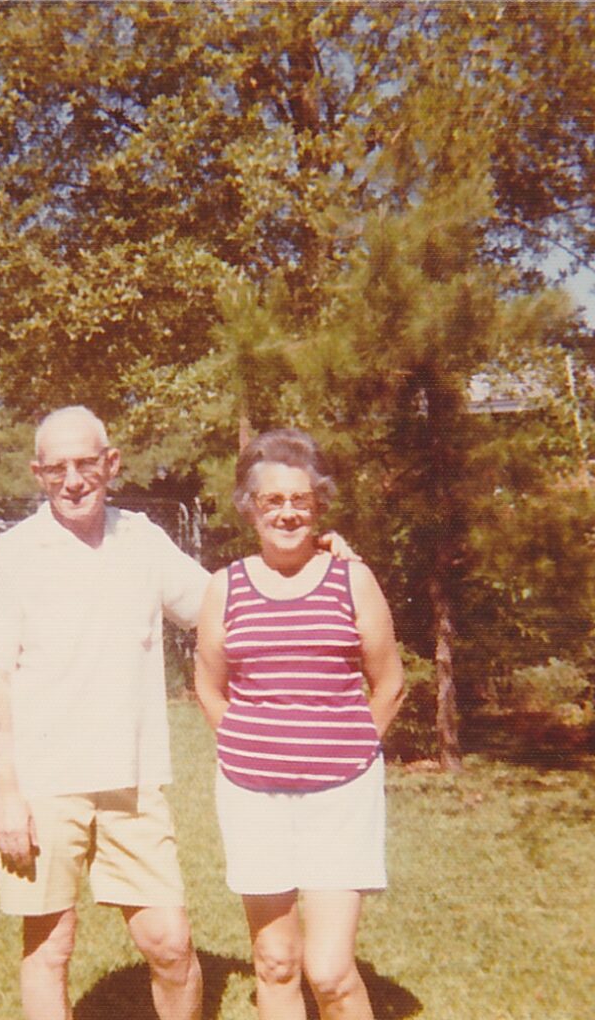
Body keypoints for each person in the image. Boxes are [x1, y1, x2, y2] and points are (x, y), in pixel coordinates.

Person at [0, 406, 360, 1020]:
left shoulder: (142, 539)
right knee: (50, 949)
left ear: (111, 464)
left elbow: (225, 608)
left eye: (86, 464)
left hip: (134, 784)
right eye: (57, 468)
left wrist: (302, 552)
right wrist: (6, 794)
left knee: (170, 946)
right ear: (38, 473)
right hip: (41, 788)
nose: (73, 480)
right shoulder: (15, 554)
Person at [193, 429, 405, 1020]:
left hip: (341, 798)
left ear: (318, 506)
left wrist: (353, 746)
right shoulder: (224, 587)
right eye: (273, 501)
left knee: (331, 971)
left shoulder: (350, 578)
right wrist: (244, 745)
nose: (287, 513)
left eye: (300, 501)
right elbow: (209, 687)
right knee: (277, 963)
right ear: (250, 508)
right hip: (253, 797)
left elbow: (389, 682)